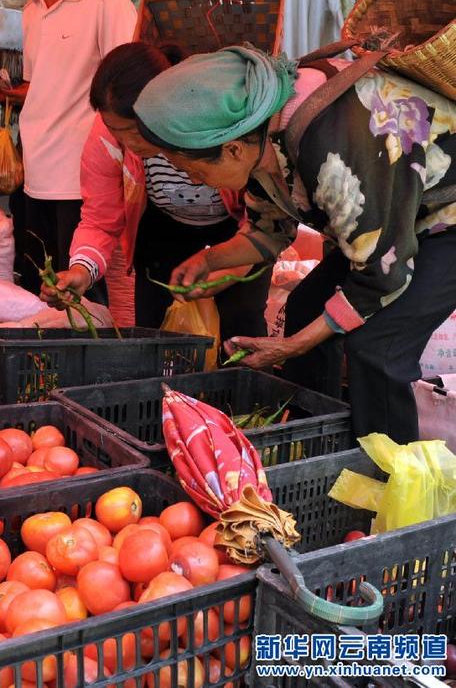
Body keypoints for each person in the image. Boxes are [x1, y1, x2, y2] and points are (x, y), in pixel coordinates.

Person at [132, 44, 456, 443]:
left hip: (444, 222)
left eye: (194, 170)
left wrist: (291, 346)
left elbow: (380, 276)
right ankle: (315, 443)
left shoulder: (338, 144)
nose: (196, 182)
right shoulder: (256, 131)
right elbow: (270, 230)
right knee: (305, 306)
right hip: (390, 224)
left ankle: (391, 479)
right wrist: (210, 261)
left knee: (378, 349)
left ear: (232, 149)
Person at [40, 42, 272, 341]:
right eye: (115, 130)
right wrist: (81, 271)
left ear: (163, 105)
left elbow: (265, 223)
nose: (129, 142)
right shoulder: (106, 138)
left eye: (135, 131)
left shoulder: (217, 118)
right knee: (156, 334)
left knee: (241, 327)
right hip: (163, 231)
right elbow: (100, 220)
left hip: (238, 229)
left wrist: (223, 269)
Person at [0, 0, 136, 299]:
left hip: (83, 180)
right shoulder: (32, 9)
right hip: (35, 175)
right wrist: (11, 94)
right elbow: (42, 86)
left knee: (82, 297)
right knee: (40, 295)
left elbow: (127, 88)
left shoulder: (108, 1)